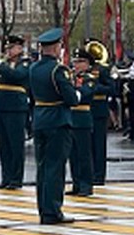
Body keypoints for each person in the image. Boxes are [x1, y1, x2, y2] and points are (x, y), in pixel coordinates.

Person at [29, 28, 78, 223]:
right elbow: (71, 98)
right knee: (55, 168)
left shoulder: (34, 68)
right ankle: (53, 211)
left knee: (42, 168)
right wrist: (78, 94)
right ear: (56, 48)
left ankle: (43, 209)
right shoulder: (59, 70)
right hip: (58, 120)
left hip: (40, 118)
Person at [0, 34, 29, 189]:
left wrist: (0, 65)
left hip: (15, 107)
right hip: (2, 105)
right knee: (4, 145)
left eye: (11, 48)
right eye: (7, 48)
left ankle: (16, 179)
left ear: (19, 48)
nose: (9, 51)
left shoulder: (24, 63)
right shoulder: (6, 63)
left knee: (15, 145)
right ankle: (6, 177)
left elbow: (17, 76)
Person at [67, 46, 96, 196]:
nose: (77, 64)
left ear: (88, 64)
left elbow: (85, 93)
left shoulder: (89, 79)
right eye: (75, 61)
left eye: (81, 62)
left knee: (84, 154)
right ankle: (76, 183)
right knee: (73, 155)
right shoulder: (70, 77)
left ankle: (86, 185)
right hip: (71, 118)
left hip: (82, 118)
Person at [84, 41, 113, 188]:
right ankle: (89, 174)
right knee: (86, 144)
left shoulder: (103, 69)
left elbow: (112, 88)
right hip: (86, 108)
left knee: (99, 144)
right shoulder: (84, 70)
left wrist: (95, 86)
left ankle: (99, 175)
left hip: (99, 108)